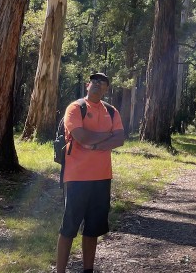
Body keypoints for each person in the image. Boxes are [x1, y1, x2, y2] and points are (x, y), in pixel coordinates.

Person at [56, 72, 125, 273]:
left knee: (93, 228)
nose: (97, 84)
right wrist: (106, 137)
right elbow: (81, 136)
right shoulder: (76, 108)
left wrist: (95, 144)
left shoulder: (112, 112)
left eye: (102, 83)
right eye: (94, 82)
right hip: (76, 177)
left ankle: (88, 270)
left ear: (106, 89)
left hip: (102, 177)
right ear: (87, 85)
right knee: (69, 227)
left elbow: (119, 139)